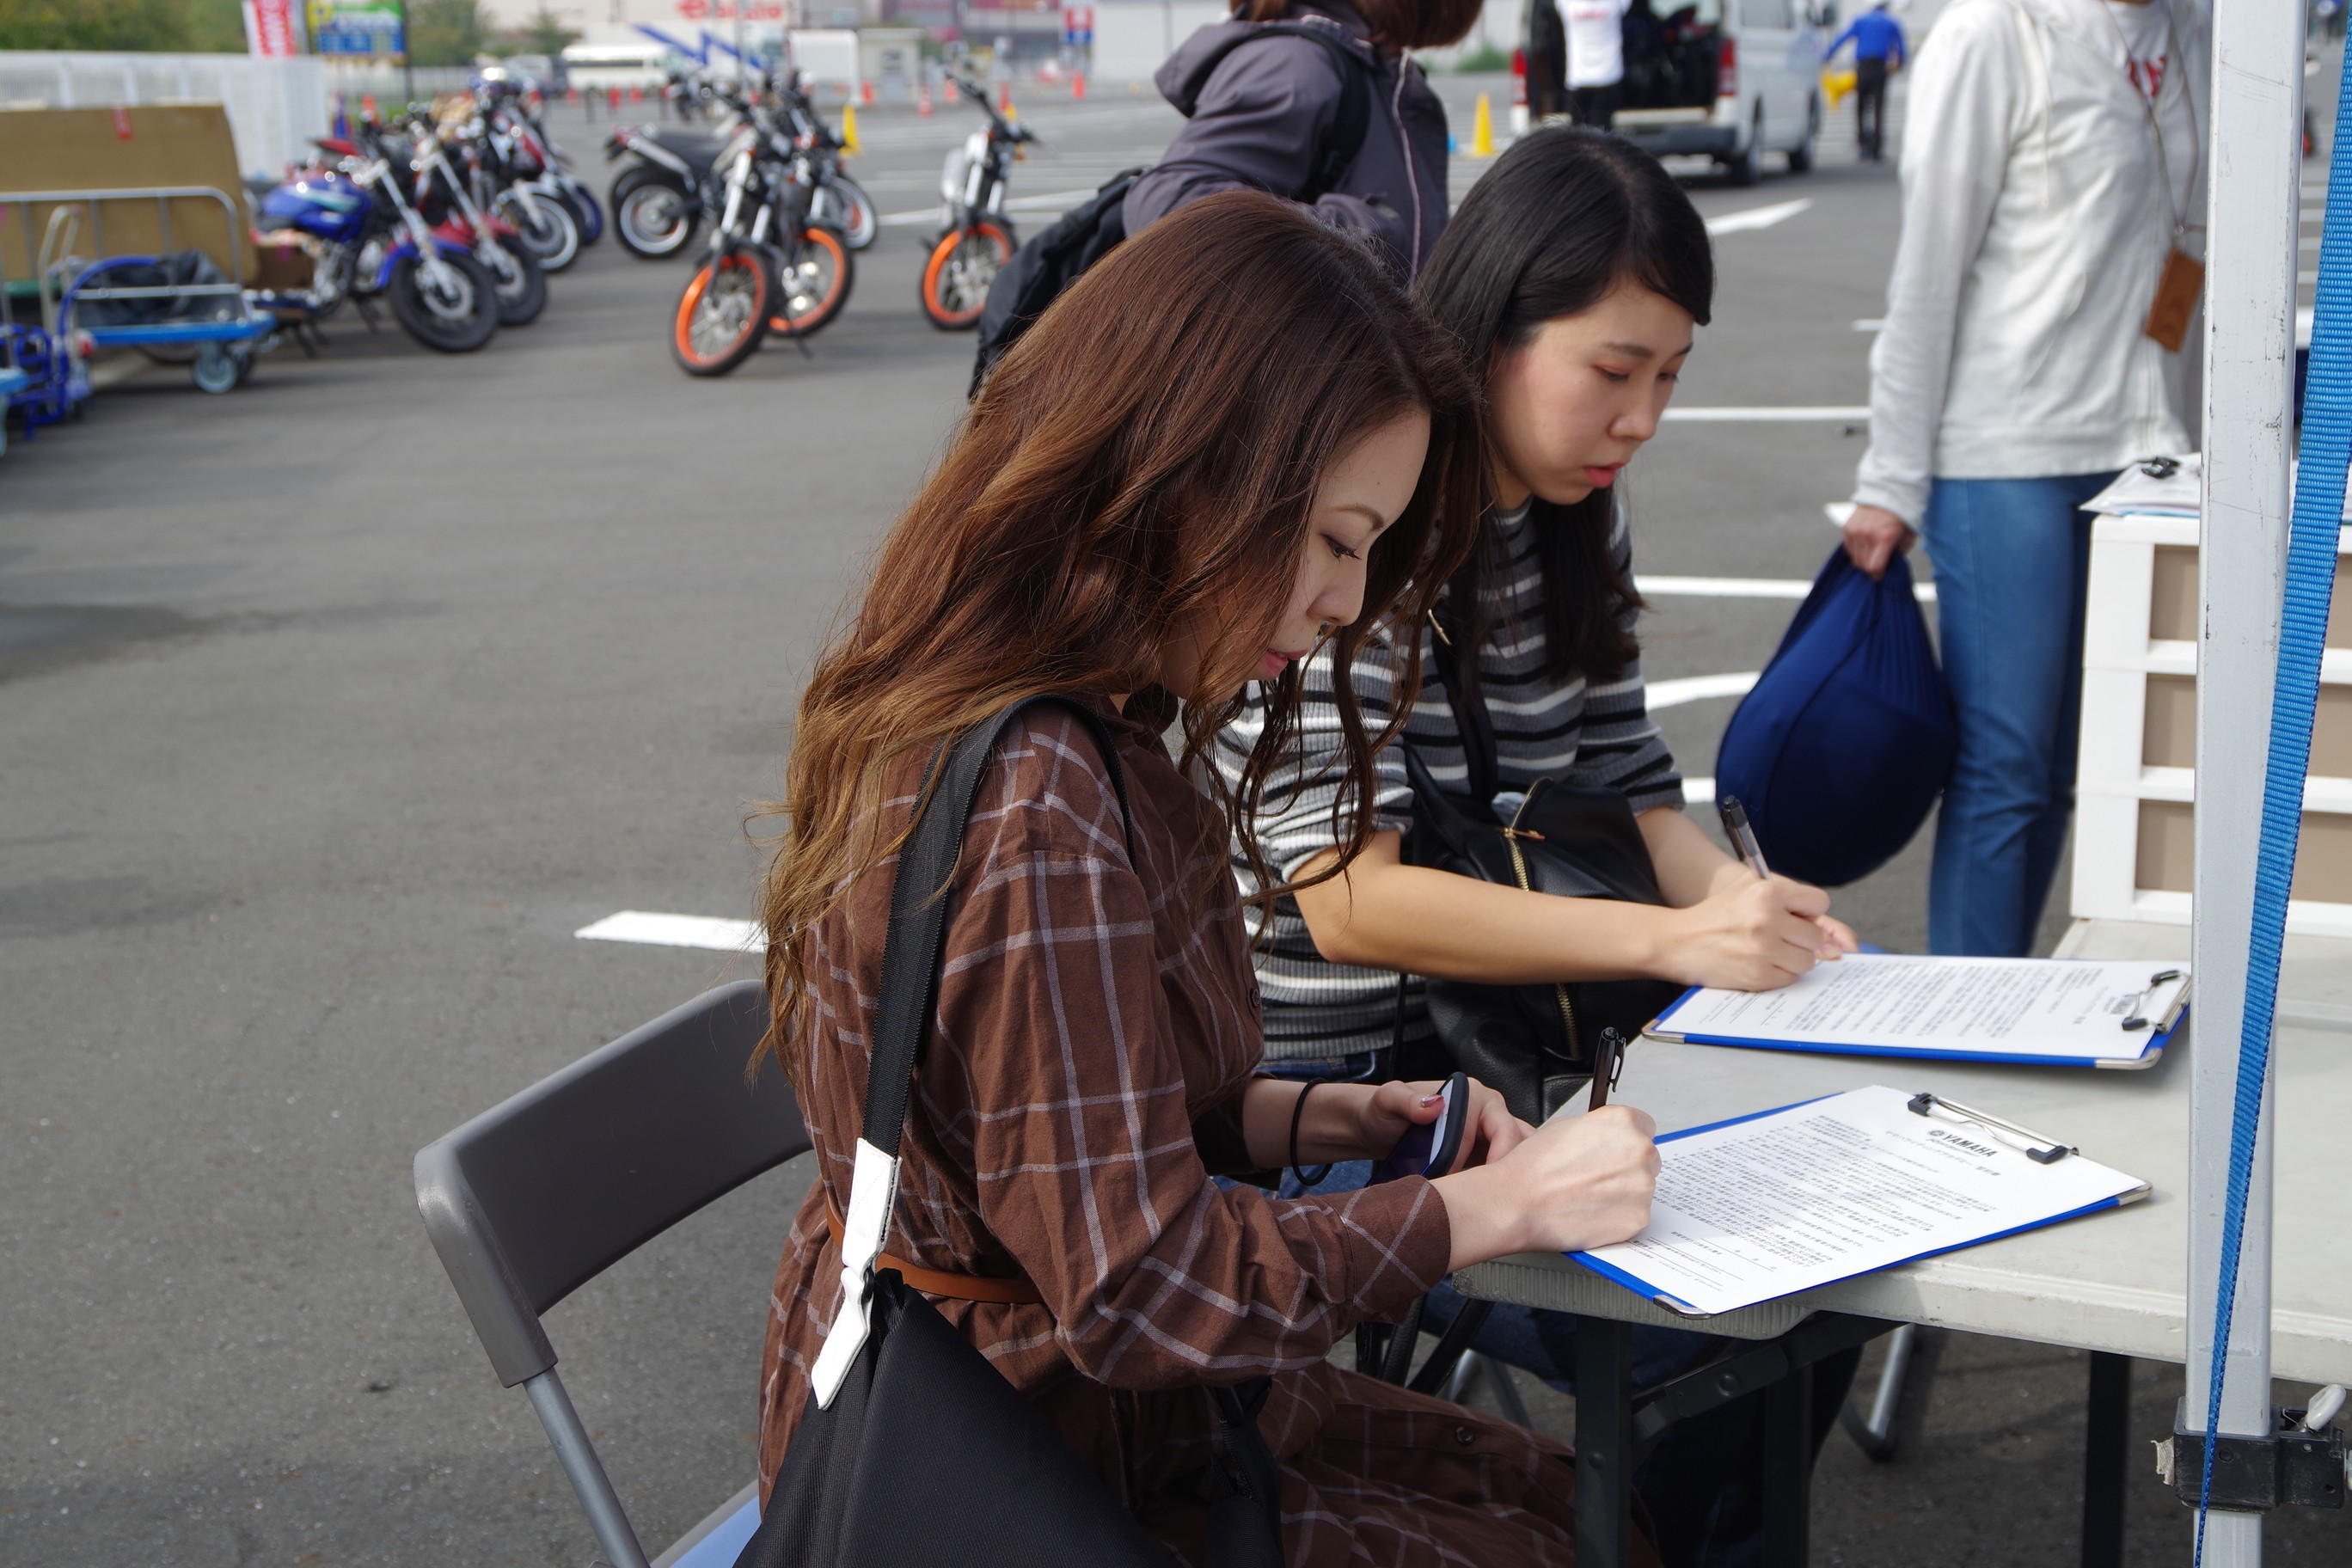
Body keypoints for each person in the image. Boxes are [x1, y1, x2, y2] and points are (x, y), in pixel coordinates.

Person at [754, 192, 1664, 1567]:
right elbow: (1136, 1288)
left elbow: (1046, 1130)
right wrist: (1503, 1209)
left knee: (1568, 1502)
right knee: (1579, 1528)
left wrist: (1322, 1118)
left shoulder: (1008, 695)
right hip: (1025, 1463)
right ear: (1190, 474)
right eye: (1338, 540)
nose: (1344, 605)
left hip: (1001, 1386)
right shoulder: (1040, 799)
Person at [1214, 127, 1859, 1565]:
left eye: (1670, 378)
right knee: (1730, 1329)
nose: (1638, 416)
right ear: (1489, 330)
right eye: (1610, 371)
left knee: (1826, 1279)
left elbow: (1626, 779)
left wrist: (1748, 908)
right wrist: (1669, 938)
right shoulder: (1354, 525)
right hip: (1324, 1088)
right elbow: (1345, 901)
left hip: (1504, 1054)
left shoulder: (1571, 520)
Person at [1841, 0, 2207, 959]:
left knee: (2072, 769)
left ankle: (2006, 992)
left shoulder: (2194, 31)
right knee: (2005, 765)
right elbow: (1927, 272)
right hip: (2005, 446)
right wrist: (1891, 475)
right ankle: (1971, 1026)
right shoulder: (1994, 32)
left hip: (2144, 448)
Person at [1124, 0, 1478, 281]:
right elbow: (1166, 202)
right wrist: (1360, 236)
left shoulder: (1366, 65)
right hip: (1317, 365)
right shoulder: (1300, 64)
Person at [1824, 1, 1906, 160]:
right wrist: (1901, 62)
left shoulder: (1861, 21)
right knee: (1879, 107)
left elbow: (1843, 38)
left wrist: (1827, 56)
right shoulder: (1891, 23)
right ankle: (1877, 148)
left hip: (1863, 67)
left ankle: (1862, 144)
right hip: (1881, 68)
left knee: (1861, 106)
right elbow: (1900, 47)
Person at [1559, 0, 1632, 127]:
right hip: (1586, 79)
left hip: (1603, 79)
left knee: (1587, 137)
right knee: (1585, 137)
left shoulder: (1568, 4)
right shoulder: (1615, 3)